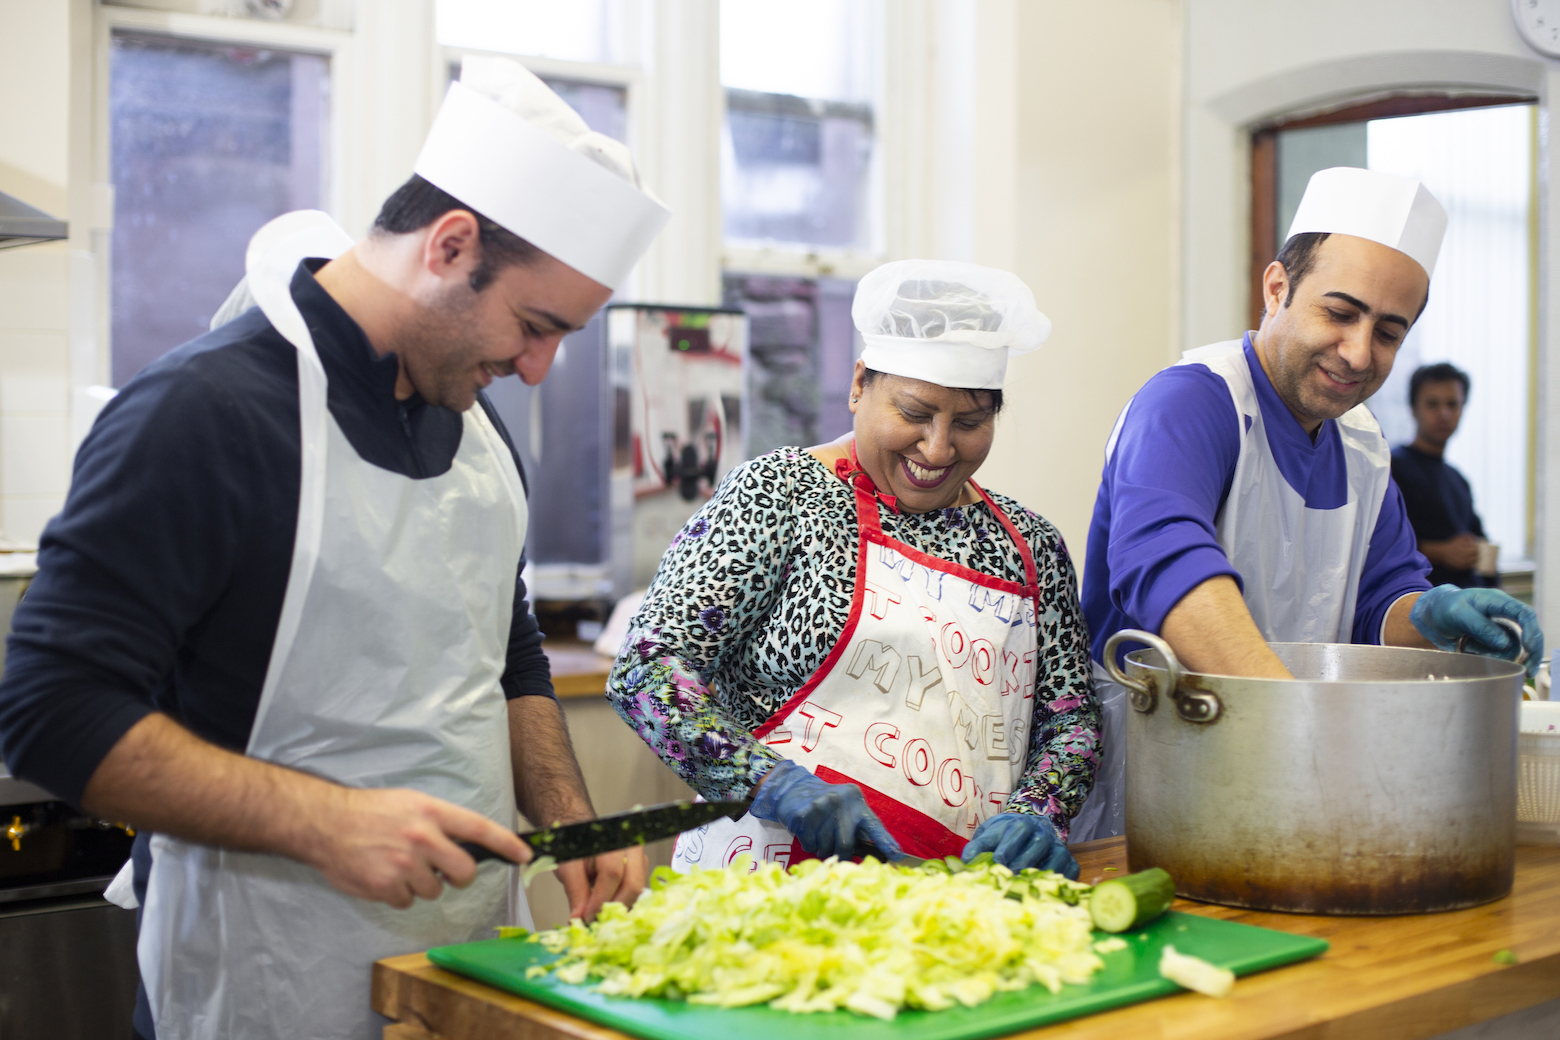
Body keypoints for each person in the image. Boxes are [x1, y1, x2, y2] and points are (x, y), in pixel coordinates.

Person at [0, 57, 669, 1040]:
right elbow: (47, 709)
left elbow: (507, 651)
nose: (536, 368)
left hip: (460, 971)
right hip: (260, 976)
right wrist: (328, 818)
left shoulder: (478, 434)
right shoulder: (202, 414)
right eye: (534, 326)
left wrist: (570, 814)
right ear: (449, 244)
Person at [1072, 167, 1544, 842]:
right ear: (1276, 289)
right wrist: (1305, 738)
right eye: (1340, 312)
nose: (1358, 352)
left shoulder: (1363, 446)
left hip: (1292, 793)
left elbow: (1378, 603)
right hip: (1152, 787)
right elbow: (1167, 570)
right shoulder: (1192, 403)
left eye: (1388, 332)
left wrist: (1432, 615)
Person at [606, 260, 1100, 880]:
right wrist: (768, 781)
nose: (939, 448)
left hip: (962, 895)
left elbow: (1071, 718)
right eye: (915, 413)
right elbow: (646, 669)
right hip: (770, 872)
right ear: (860, 383)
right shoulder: (779, 495)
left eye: (970, 423)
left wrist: (1039, 811)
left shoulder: (1030, 545)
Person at [1391, 363, 1494, 588]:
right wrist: (1442, 552)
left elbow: (1481, 541)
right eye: (1432, 404)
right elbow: (1380, 543)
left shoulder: (1457, 480)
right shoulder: (1392, 468)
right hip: (1419, 602)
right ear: (1413, 408)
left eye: (1452, 404)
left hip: (1467, 604)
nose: (1444, 413)